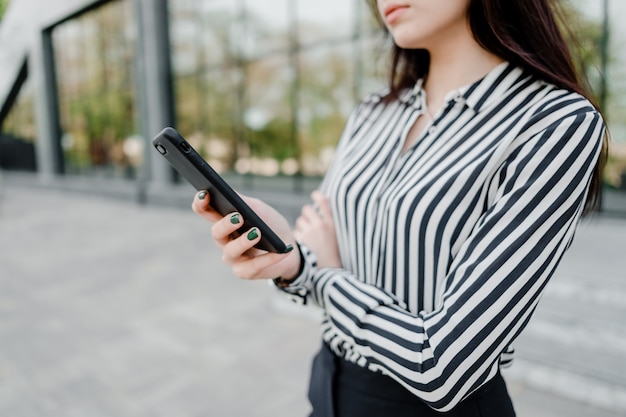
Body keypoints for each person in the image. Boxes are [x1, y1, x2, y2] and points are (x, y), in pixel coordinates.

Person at [192, 0, 608, 415]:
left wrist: (323, 277)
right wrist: (287, 256)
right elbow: (318, 250)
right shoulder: (373, 113)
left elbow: (442, 369)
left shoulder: (554, 124)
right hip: (329, 387)